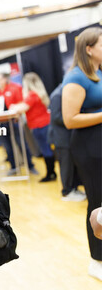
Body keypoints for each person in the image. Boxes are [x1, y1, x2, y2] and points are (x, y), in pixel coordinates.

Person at [62, 26, 102, 281]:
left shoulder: (97, 73)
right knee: (98, 203)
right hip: (89, 149)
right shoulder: (76, 78)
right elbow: (70, 119)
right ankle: (97, 260)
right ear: (89, 49)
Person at [0, 72, 38, 176]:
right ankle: (13, 167)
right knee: (7, 146)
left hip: (14, 122)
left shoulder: (15, 88)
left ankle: (30, 165)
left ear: (5, 79)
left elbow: (22, 103)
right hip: (0, 123)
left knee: (22, 144)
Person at [11, 72, 57, 182]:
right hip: (45, 124)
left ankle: (50, 174)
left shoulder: (31, 95)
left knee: (45, 150)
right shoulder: (39, 94)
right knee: (47, 149)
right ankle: (52, 172)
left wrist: (13, 106)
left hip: (39, 126)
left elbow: (22, 108)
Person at [48, 84, 86, 201]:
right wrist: (73, 117)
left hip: (68, 138)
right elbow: (56, 117)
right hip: (61, 139)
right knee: (66, 166)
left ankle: (73, 188)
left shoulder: (63, 94)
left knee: (71, 166)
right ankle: (67, 191)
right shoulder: (57, 95)